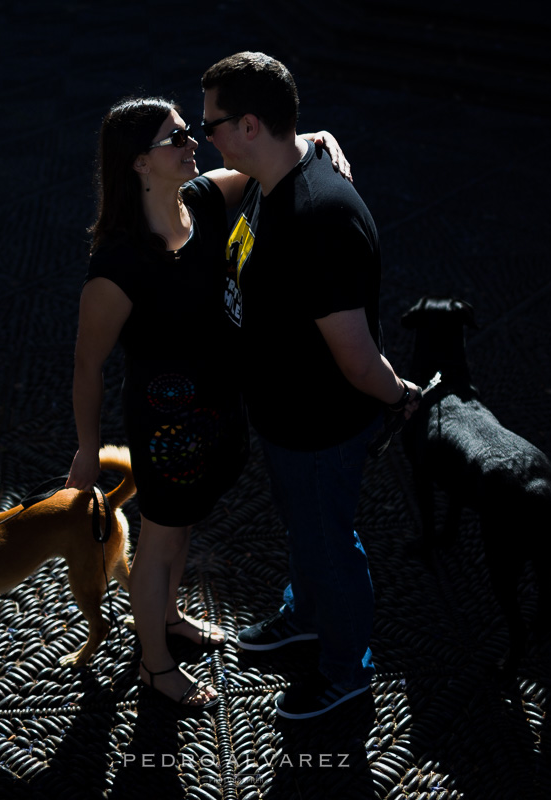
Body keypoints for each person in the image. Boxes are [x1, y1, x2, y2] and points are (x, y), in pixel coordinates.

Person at [66, 96, 351, 710]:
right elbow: (87, 365)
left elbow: (266, 159)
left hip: (217, 410)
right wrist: (88, 449)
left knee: (183, 527)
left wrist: (316, 132)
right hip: (166, 428)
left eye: (188, 132)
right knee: (160, 539)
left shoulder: (198, 201)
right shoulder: (116, 264)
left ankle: (166, 617)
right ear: (140, 164)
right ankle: (154, 665)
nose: (192, 143)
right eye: (176, 139)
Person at [200, 52, 421, 719]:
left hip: (318, 422)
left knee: (330, 542)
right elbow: (302, 136)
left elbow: (355, 357)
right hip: (286, 414)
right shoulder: (283, 170)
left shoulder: (316, 217)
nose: (201, 137)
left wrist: (402, 397)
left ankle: (347, 670)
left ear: (248, 125)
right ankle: (305, 616)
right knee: (308, 532)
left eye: (210, 125)